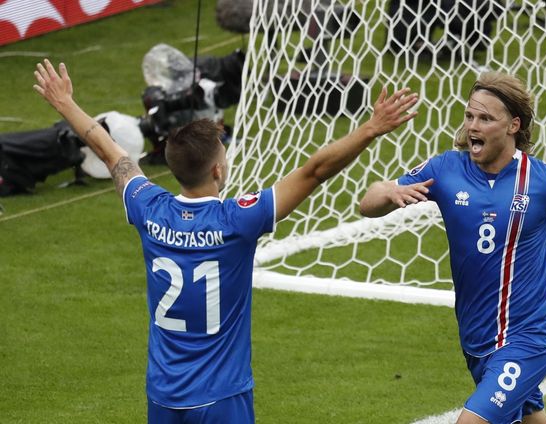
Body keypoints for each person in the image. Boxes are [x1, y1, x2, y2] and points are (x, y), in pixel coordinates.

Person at [33, 58, 418, 423]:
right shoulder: (238, 219)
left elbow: (108, 150)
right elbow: (316, 170)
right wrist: (370, 128)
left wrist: (65, 102)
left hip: (164, 394)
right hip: (221, 397)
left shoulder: (148, 207)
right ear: (218, 169)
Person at [359, 71, 546, 424]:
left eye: (485, 118)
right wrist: (387, 192)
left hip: (529, 338)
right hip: (477, 338)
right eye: (469, 116)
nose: (473, 127)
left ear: (513, 125)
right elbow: (367, 204)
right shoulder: (446, 170)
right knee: (532, 416)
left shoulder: (545, 182)